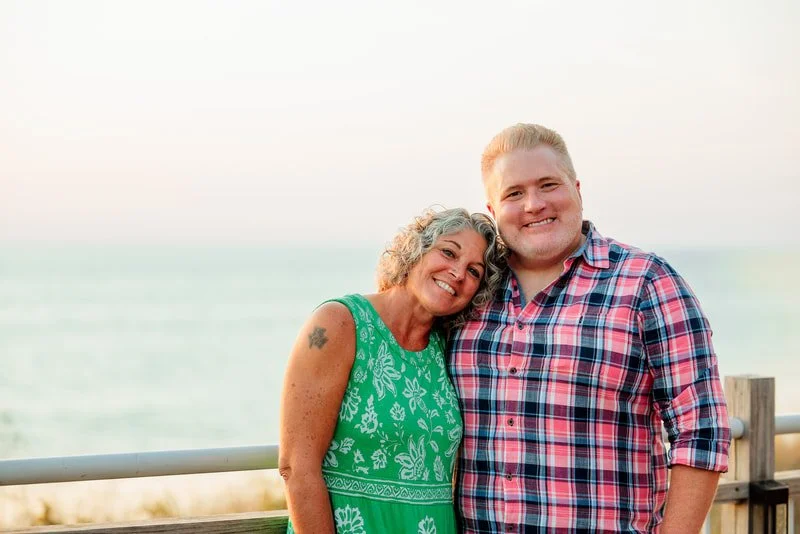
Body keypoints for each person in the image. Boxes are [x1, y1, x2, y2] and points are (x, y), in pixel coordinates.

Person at [448, 124, 731, 533]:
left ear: (577, 189)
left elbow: (700, 429)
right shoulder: (469, 291)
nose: (534, 204)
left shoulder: (646, 283)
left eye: (548, 185)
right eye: (514, 193)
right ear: (493, 210)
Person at [279, 208, 504, 533]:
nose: (457, 273)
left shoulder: (448, 349)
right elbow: (296, 467)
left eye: (473, 271)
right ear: (415, 250)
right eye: (448, 252)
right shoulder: (339, 323)